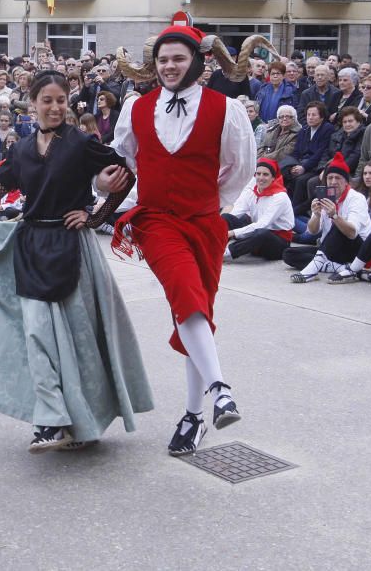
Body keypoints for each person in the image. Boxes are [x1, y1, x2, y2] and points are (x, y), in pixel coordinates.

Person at [0, 69, 152, 453]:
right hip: (31, 246)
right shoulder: (22, 149)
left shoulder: (82, 144)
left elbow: (124, 177)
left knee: (76, 342)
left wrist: (95, 215)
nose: (55, 107)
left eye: (61, 100)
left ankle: (79, 421)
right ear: (33, 104)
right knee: (36, 334)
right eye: (46, 100)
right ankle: (51, 419)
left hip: (72, 248)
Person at [112, 25, 262, 455]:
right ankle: (221, 390)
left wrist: (208, 199)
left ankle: (194, 415)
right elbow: (122, 157)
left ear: (197, 62)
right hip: (155, 220)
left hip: (204, 222)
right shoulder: (136, 109)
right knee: (184, 291)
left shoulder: (226, 108)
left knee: (197, 309)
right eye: (162, 60)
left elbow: (240, 166)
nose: (169, 66)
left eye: (177, 58)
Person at [284, 152, 371, 282]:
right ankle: (342, 269)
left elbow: (352, 233)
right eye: (330, 178)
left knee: (338, 225)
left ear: (346, 181)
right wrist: (317, 215)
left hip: (356, 250)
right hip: (329, 249)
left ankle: (312, 270)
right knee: (288, 254)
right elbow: (313, 231)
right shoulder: (324, 194)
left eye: (338, 178)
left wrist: (334, 216)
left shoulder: (356, 198)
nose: (333, 182)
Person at [222, 157, 295, 261]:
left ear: (273, 178)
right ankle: (214, 249)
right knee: (226, 217)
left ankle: (227, 253)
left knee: (261, 233)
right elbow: (236, 213)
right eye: (258, 174)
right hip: (257, 236)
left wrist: (233, 232)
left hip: (276, 245)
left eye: (265, 174)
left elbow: (262, 224)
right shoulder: (252, 193)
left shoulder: (280, 197)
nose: (261, 178)